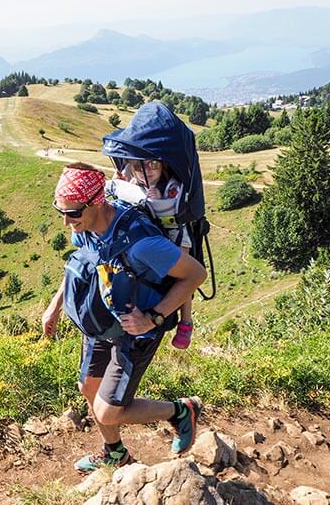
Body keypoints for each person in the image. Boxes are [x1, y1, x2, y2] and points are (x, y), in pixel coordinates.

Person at [42, 163, 207, 472]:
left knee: (106, 412)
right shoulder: (86, 226)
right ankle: (114, 452)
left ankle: (181, 411)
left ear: (96, 203)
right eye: (60, 211)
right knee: (88, 387)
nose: (66, 221)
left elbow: (196, 275)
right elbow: (82, 260)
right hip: (104, 321)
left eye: (73, 212)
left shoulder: (143, 244)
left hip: (137, 330)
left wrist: (154, 318)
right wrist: (55, 305)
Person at [108, 158, 195, 349]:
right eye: (138, 166)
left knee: (184, 276)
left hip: (176, 233)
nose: (146, 171)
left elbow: (175, 206)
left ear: (162, 165)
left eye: (153, 164)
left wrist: (158, 200)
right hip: (148, 235)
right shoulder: (133, 183)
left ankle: (186, 322)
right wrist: (119, 183)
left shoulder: (170, 185)